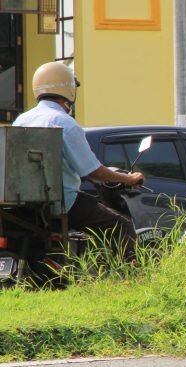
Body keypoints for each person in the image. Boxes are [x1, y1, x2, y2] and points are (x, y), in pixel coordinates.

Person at [13, 61, 144, 255]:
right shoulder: (65, 123)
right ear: (69, 90)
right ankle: (130, 278)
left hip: (22, 203)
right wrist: (129, 178)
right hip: (62, 202)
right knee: (120, 226)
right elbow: (93, 171)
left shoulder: (21, 121)